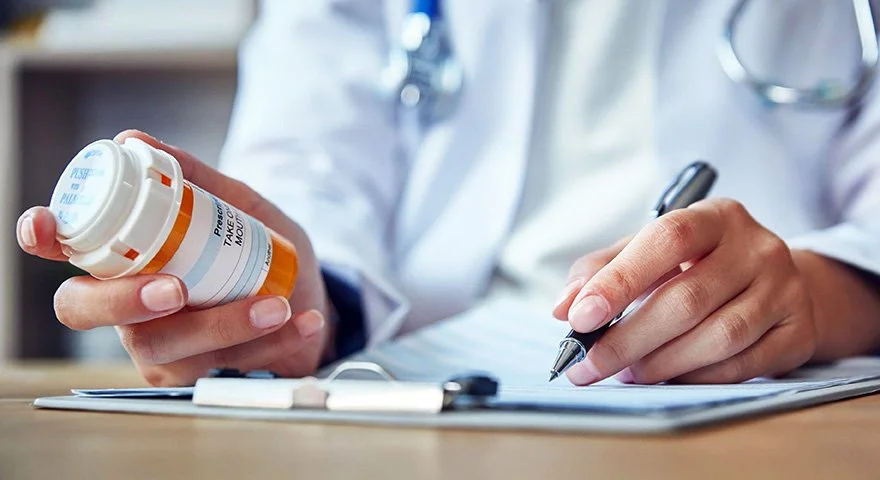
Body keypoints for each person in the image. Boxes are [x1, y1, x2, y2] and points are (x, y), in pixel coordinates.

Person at [16, 1, 880, 387]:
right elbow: (309, 159)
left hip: (767, 389)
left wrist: (815, 291)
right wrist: (292, 308)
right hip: (422, 378)